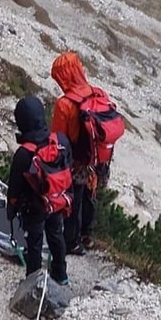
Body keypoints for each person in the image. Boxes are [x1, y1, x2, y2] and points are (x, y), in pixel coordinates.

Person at [6, 96, 70, 283]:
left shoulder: (24, 153)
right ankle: (60, 274)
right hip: (56, 201)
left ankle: (33, 280)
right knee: (56, 236)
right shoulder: (60, 141)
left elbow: (15, 187)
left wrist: (11, 208)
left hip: (33, 207)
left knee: (34, 243)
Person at [50, 50, 106, 254]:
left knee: (74, 199)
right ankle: (87, 236)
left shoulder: (64, 104)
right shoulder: (98, 93)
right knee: (91, 196)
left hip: (76, 160)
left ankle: (72, 243)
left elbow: (57, 139)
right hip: (99, 158)